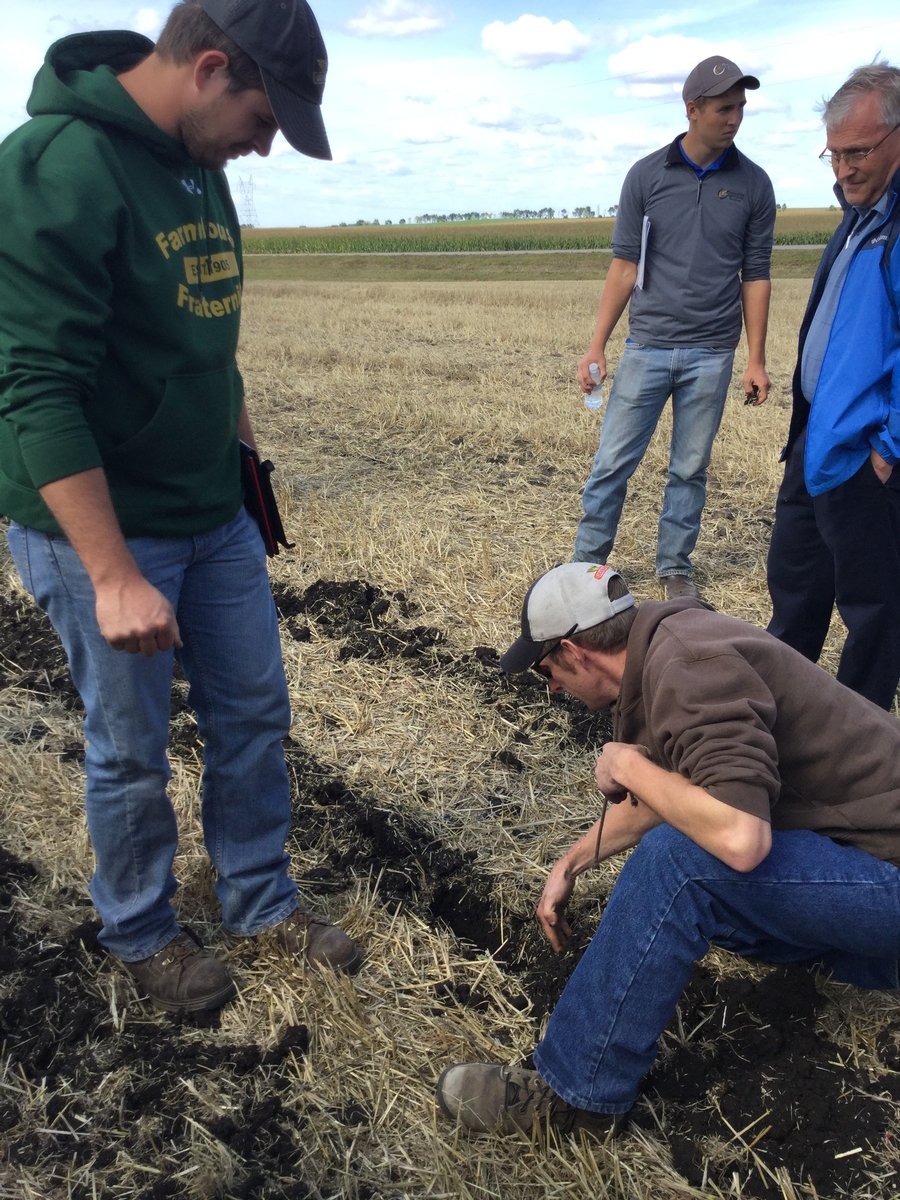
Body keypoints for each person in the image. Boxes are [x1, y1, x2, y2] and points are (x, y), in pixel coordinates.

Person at [0, 0, 361, 1015]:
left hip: (212, 514)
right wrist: (112, 573)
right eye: (262, 121)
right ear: (210, 69)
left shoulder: (201, 166)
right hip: (109, 530)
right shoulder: (55, 167)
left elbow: (209, 341)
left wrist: (248, 469)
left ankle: (257, 896)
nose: (263, 147)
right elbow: (34, 387)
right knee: (131, 746)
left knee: (254, 713)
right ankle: (141, 928)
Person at [436, 562, 900, 1136]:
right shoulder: (669, 647)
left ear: (576, 651)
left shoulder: (691, 669)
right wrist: (572, 862)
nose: (551, 686)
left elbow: (741, 838)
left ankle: (577, 1092)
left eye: (546, 668)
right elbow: (684, 794)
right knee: (699, 857)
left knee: (680, 865)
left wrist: (627, 762)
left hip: (888, 875)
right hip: (869, 861)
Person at [573, 56, 776, 601]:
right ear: (693, 109)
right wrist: (597, 345)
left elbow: (755, 274)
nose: (735, 118)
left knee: (689, 469)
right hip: (648, 347)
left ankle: (675, 571)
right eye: (724, 108)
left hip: (713, 353)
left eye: (740, 108)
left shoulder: (754, 184)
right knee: (612, 463)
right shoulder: (646, 176)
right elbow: (624, 266)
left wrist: (756, 358)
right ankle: (586, 568)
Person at [767, 64, 900, 710]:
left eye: (857, 152)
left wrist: (888, 449)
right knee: (793, 601)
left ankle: (859, 760)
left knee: (873, 618)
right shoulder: (859, 217)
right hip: (814, 445)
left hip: (864, 459)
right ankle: (772, 732)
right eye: (834, 153)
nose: (841, 169)